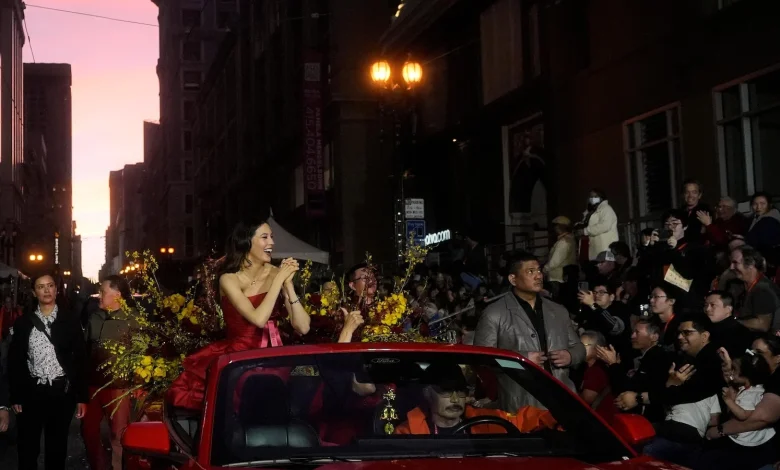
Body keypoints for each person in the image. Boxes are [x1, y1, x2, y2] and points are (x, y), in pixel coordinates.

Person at [167, 218, 310, 410]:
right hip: (239, 358)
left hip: (274, 355)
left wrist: (289, 285)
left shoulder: (278, 273)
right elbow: (258, 319)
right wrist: (279, 280)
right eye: (265, 237)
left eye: (272, 237)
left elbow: (303, 327)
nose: (272, 243)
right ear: (246, 242)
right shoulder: (229, 279)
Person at [474, 252, 585, 410]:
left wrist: (570, 356)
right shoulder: (494, 313)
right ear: (513, 279)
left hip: (562, 401)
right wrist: (521, 360)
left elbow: (579, 348)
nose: (538, 276)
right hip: (519, 403)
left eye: (539, 270)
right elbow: (483, 359)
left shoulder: (558, 310)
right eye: (530, 271)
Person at [8, 272, 88, 470]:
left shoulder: (70, 320)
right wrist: (15, 395)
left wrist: (81, 397)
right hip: (31, 391)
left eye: (50, 285)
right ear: (35, 292)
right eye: (41, 287)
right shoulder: (24, 322)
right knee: (27, 448)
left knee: (57, 448)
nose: (46, 290)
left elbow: (80, 359)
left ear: (56, 289)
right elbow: (15, 361)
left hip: (61, 392)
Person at [394, 363, 557, 435]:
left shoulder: (488, 422)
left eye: (460, 391)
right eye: (446, 391)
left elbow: (531, 418)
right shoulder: (408, 433)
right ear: (427, 393)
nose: (455, 398)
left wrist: (567, 418)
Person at [82, 275, 139, 470]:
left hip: (119, 387)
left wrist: (136, 384)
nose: (99, 296)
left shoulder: (133, 320)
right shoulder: (94, 318)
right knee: (89, 431)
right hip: (92, 386)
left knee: (119, 434)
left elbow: (143, 355)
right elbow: (85, 350)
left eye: (103, 292)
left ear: (117, 295)